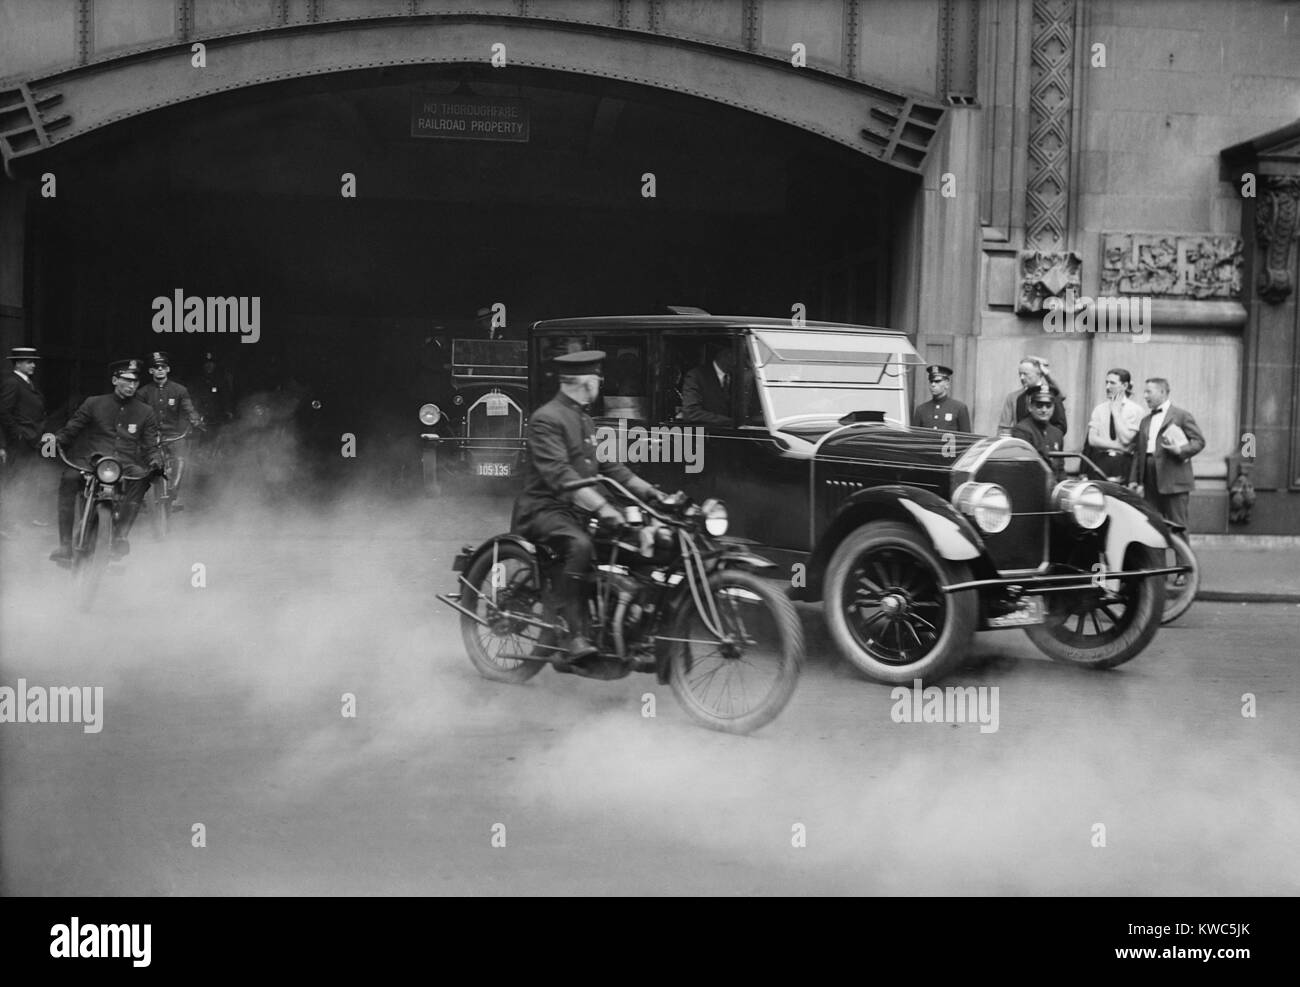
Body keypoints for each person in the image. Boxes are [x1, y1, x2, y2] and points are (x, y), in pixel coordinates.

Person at [511, 351, 669, 661]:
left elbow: (611, 467)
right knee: (580, 546)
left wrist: (652, 494)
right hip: (544, 511)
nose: (600, 382)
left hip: (580, 512)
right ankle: (574, 633)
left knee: (646, 546)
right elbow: (560, 474)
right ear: (585, 381)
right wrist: (602, 508)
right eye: (597, 377)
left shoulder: (584, 419)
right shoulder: (547, 418)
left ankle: (635, 629)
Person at [50, 359, 163, 563]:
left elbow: (150, 446)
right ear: (114, 380)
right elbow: (72, 429)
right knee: (69, 478)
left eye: (135, 382)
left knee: (141, 477)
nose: (132, 386)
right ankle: (65, 544)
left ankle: (120, 535)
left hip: (125, 464)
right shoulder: (94, 403)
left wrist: (155, 461)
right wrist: (56, 440)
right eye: (127, 380)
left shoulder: (145, 411)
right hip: (93, 462)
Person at [1128, 377, 1205, 530]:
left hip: (1174, 480)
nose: (1145, 396)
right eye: (1144, 392)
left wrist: (1181, 450)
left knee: (1178, 527)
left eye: (1148, 392)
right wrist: (1133, 480)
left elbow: (1199, 441)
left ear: (1162, 392)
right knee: (1152, 529)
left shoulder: (1181, 415)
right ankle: (1156, 555)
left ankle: (1182, 555)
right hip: (1149, 482)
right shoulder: (1145, 421)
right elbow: (1139, 452)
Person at [139, 351, 202, 508]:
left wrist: (195, 418)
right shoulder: (143, 392)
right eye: (156, 367)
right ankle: (142, 497)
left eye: (163, 367)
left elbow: (188, 408)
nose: (160, 369)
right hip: (150, 435)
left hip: (173, 434)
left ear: (168, 369)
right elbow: (136, 412)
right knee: (140, 462)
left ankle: (173, 491)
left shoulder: (179, 390)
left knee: (180, 459)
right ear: (150, 371)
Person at [0, 346, 49, 533]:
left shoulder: (27, 382)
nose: (33, 365)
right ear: (18, 363)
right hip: (19, 441)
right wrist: (16, 434)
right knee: (14, 480)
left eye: (33, 361)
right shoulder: (12, 382)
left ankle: (24, 517)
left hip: (31, 440)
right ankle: (7, 524)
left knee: (28, 479)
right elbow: (3, 412)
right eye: (29, 361)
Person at [1084, 368, 1145, 482]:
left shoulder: (1136, 410)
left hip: (1124, 463)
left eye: (1112, 383)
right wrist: (1119, 447)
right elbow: (1092, 440)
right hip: (1101, 462)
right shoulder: (1099, 409)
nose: (1107, 387)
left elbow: (1126, 439)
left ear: (1125, 385)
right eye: (1106, 382)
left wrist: (1116, 413)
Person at [999, 356, 1067, 436]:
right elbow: (1003, 428)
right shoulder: (1015, 397)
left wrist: (1047, 375)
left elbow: (1060, 426)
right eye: (1020, 374)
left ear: (1039, 374)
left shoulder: (1051, 394)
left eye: (1025, 374)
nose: (1022, 377)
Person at [1011, 382, 1065, 479]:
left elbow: (1060, 468)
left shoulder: (1057, 433)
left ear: (1053, 408)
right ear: (1030, 407)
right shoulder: (1021, 430)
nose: (1044, 410)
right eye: (1039, 405)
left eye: (1048, 406)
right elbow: (1027, 466)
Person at [681, 345, 735, 426]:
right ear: (726, 355)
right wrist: (730, 422)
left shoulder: (737, 377)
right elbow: (691, 413)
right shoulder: (696, 376)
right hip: (708, 434)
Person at [912, 364, 971, 432]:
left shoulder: (959, 408)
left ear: (947, 384)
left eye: (937, 381)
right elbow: (914, 438)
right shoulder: (921, 410)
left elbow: (966, 438)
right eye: (931, 381)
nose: (933, 385)